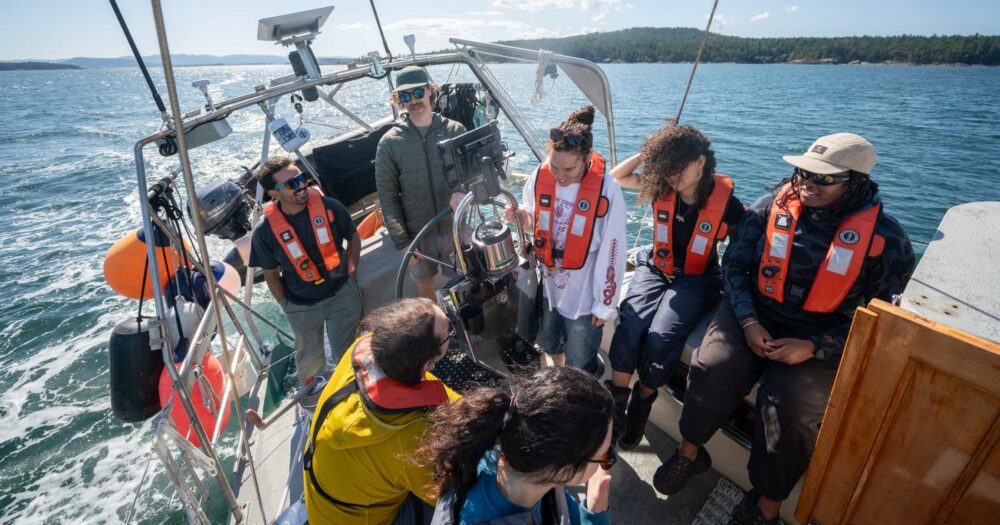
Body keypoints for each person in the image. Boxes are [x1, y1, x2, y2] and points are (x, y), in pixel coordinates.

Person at [654, 133, 916, 524]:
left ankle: (766, 505)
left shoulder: (886, 240)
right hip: (754, 313)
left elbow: (884, 318)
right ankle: (690, 453)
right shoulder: (768, 209)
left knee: (789, 407)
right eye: (803, 172)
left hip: (820, 337)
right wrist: (747, 320)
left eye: (823, 178)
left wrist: (816, 346)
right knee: (711, 366)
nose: (808, 183)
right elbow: (735, 267)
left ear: (856, 181)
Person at [605, 124, 744, 450]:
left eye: (679, 167)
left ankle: (640, 408)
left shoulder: (728, 205)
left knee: (662, 336)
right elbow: (617, 176)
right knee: (631, 320)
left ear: (700, 162)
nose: (673, 177)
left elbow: (747, 245)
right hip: (656, 267)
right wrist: (649, 152)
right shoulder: (659, 186)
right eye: (665, 168)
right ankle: (615, 412)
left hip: (698, 279)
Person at [304, 298, 462, 525]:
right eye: (449, 330)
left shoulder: (366, 348)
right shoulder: (413, 438)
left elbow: (425, 385)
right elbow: (442, 493)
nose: (450, 322)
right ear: (428, 363)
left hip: (326, 506)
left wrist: (463, 405)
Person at [505, 106, 627, 377]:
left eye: (568, 169)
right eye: (554, 166)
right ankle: (558, 380)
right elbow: (534, 219)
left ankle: (582, 392)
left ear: (586, 158)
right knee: (549, 343)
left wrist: (605, 303)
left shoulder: (608, 189)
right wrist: (522, 216)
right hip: (550, 288)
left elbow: (614, 249)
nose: (559, 175)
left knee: (581, 360)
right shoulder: (541, 175)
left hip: (584, 296)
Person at [420, 366, 614, 525]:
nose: (605, 464)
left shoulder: (501, 442)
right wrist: (594, 518)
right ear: (564, 470)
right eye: (604, 456)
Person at [250, 156, 362, 407]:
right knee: (311, 363)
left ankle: (357, 400)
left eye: (302, 179)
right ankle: (316, 409)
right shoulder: (265, 232)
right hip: (301, 307)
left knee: (350, 353)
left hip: (342, 295)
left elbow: (353, 237)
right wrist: (287, 305)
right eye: (291, 184)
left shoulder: (330, 207)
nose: (301, 186)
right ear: (273, 194)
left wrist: (352, 273)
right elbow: (270, 274)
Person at [374, 65, 468, 300]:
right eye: (405, 96)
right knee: (425, 289)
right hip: (418, 235)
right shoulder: (389, 143)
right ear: (398, 100)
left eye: (417, 92)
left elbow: (472, 175)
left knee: (466, 281)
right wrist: (403, 243)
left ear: (429, 90)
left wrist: (460, 191)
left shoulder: (455, 130)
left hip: (454, 229)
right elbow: (387, 198)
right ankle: (438, 334)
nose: (413, 100)